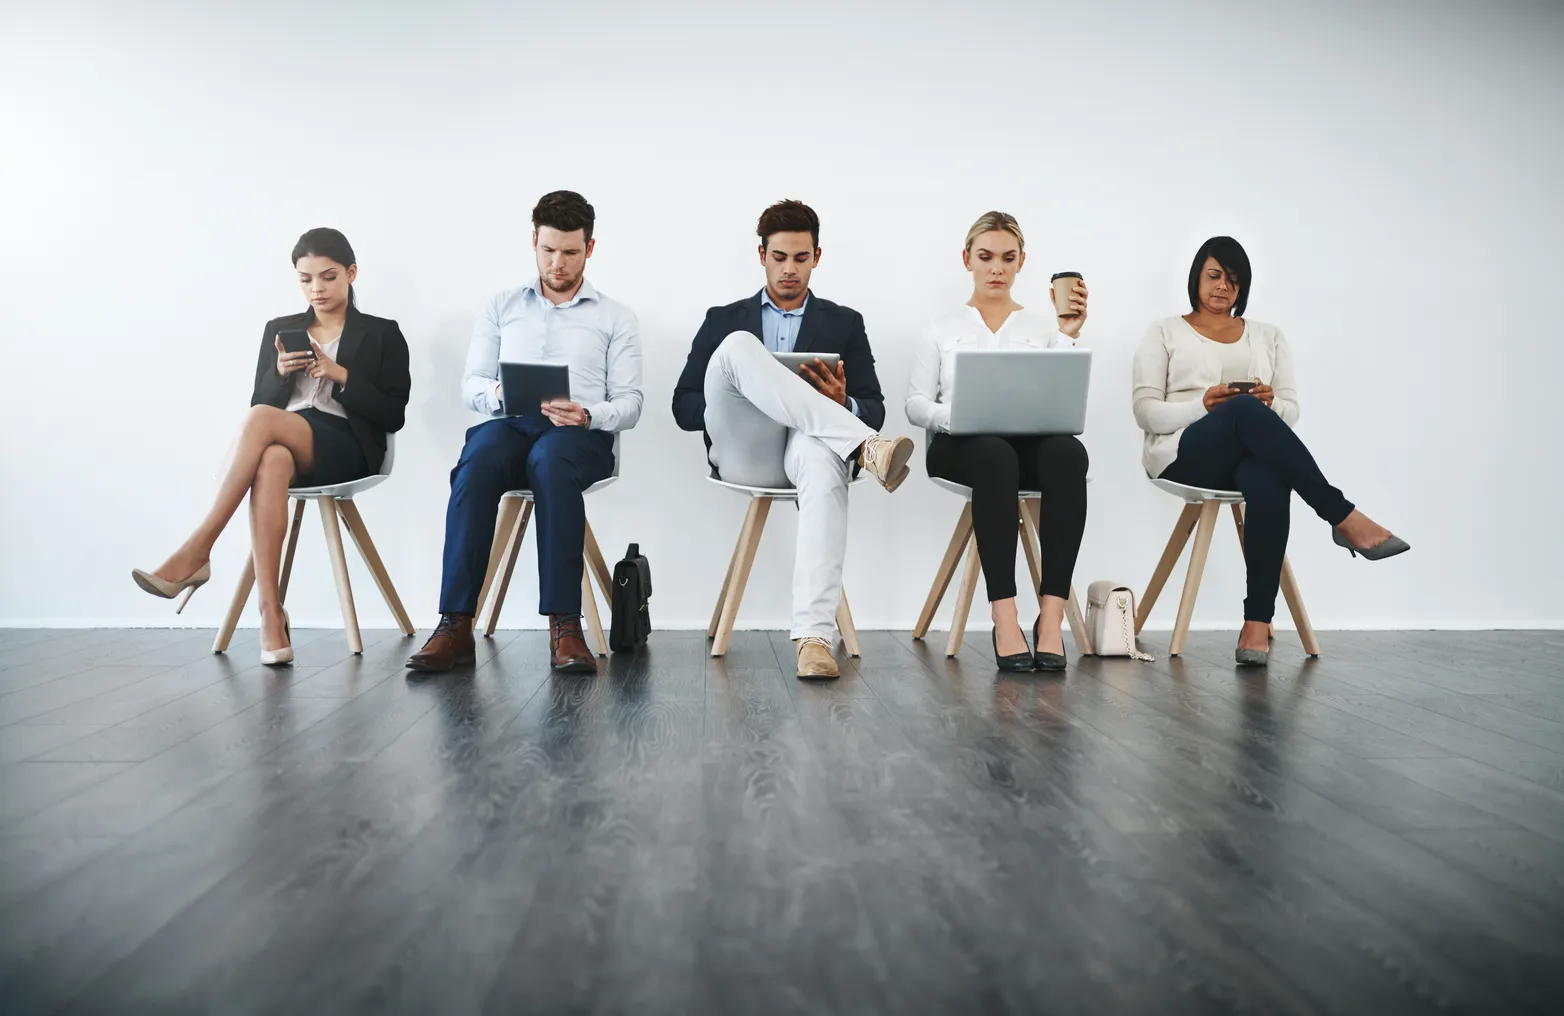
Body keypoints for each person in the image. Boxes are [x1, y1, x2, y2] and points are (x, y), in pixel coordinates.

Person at [132, 228, 411, 666]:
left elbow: (393, 414)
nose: (316, 288)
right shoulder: (280, 329)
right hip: (288, 438)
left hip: (347, 446)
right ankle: (269, 613)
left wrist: (341, 375)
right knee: (271, 457)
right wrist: (280, 373)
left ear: (351, 274)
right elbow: (259, 404)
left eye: (328, 276)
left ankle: (198, 549)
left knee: (263, 424)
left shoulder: (382, 333)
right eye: (305, 279)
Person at [1132, 235, 1409, 666]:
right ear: (1196, 277)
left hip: (1247, 455)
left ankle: (1255, 626)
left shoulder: (1269, 336)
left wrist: (1270, 404)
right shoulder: (1164, 331)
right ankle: (1341, 515)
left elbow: (1290, 411)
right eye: (1214, 275)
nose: (1223, 286)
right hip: (1184, 453)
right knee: (1243, 412)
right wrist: (1201, 405)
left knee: (1267, 475)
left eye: (1234, 280)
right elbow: (1146, 412)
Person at [672, 199, 914, 680]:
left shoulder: (845, 322)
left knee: (824, 459)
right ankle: (865, 447)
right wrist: (742, 401)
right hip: (746, 449)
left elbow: (876, 406)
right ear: (761, 254)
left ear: (817, 257)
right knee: (741, 347)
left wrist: (842, 404)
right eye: (779, 257)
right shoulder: (724, 318)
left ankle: (815, 639)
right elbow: (682, 406)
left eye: (801, 258)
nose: (789, 269)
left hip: (808, 449)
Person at [406, 190, 642, 675]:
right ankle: (453, 624)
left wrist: (588, 415)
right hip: (512, 422)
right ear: (534, 242)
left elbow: (631, 403)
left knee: (551, 461)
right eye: (548, 249)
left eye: (571, 252)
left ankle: (565, 625)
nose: (558, 262)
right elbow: (470, 385)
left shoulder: (615, 317)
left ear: (590, 249)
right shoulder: (501, 305)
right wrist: (502, 394)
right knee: (478, 457)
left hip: (580, 436)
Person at [906, 211, 1090, 672]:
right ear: (967, 259)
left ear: (1022, 262)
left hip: (1022, 446)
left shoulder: (1042, 327)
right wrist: (954, 416)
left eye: (1008, 259)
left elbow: (1060, 395)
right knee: (993, 455)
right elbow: (914, 403)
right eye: (986, 257)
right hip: (960, 446)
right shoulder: (940, 326)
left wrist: (1067, 336)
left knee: (1069, 453)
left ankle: (1051, 618)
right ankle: (1003, 616)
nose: (996, 268)